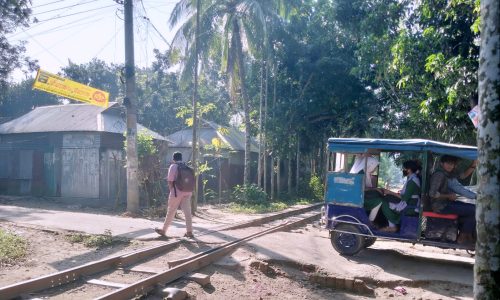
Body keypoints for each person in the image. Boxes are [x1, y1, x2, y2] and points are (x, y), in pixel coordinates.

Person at [429, 155, 476, 244]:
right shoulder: (439, 174)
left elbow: (462, 176)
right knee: (474, 210)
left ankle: (465, 234)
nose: (450, 166)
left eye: (452, 164)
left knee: (473, 208)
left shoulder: (449, 174)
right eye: (448, 163)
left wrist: (473, 165)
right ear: (442, 163)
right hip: (441, 206)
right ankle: (463, 236)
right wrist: (448, 196)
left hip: (447, 203)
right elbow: (432, 193)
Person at [154, 152, 194, 238]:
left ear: (173, 159)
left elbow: (170, 181)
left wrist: (172, 190)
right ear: (181, 158)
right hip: (188, 191)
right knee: (187, 212)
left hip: (177, 192)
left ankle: (163, 230)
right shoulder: (187, 167)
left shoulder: (173, 166)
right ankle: (189, 232)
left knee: (171, 211)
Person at [376, 160, 422, 232]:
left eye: (404, 168)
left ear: (409, 170)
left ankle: (392, 226)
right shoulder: (412, 178)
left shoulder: (413, 181)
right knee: (387, 198)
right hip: (410, 202)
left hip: (410, 205)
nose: (403, 170)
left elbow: (404, 198)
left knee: (384, 203)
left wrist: (389, 192)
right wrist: (390, 193)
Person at [350, 154, 382, 224]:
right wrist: (375, 189)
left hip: (361, 195)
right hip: (358, 198)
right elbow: (363, 188)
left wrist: (375, 189)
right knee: (379, 201)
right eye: (375, 167)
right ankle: (370, 221)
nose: (375, 169)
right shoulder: (360, 173)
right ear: (370, 165)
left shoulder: (365, 172)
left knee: (378, 195)